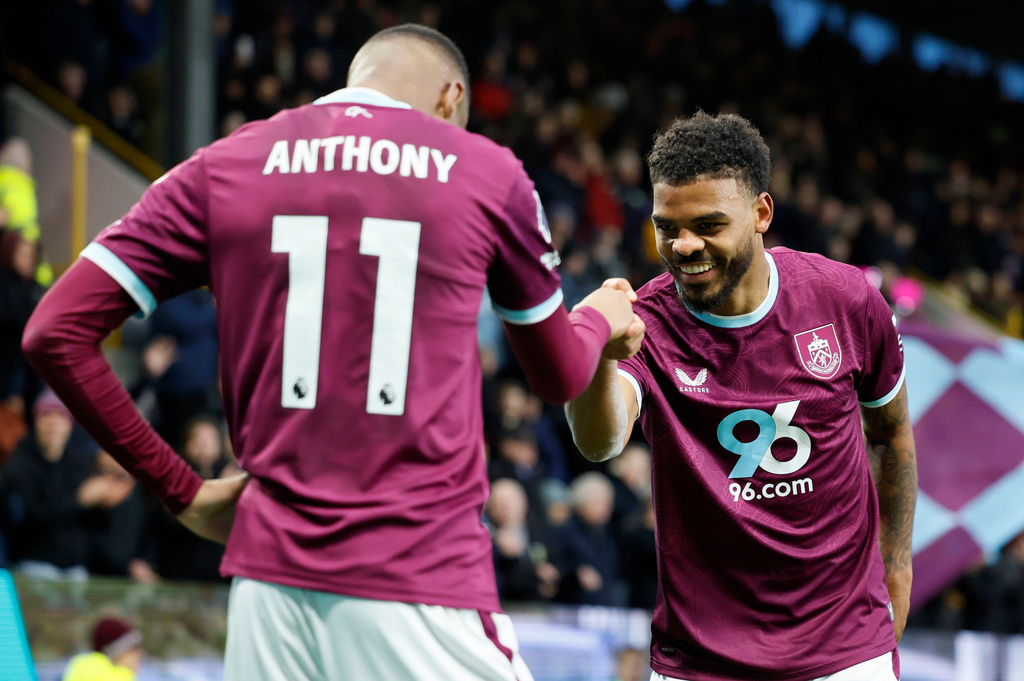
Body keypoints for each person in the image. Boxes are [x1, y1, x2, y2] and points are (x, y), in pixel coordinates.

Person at [23, 24, 638, 681]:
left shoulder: (227, 162)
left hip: (267, 593)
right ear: (451, 96)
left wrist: (182, 491)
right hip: (419, 580)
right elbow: (560, 375)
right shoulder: (485, 170)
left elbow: (53, 330)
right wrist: (598, 320)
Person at [566, 111, 917, 680]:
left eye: (707, 224)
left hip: (845, 652)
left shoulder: (846, 301)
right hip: (699, 662)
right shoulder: (646, 322)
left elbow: (891, 432)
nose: (683, 246)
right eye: (666, 226)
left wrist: (896, 568)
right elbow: (600, 441)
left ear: (760, 213)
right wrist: (598, 353)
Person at [62, 616, 144, 681]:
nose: (139, 653)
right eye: (133, 648)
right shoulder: (122, 678)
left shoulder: (75, 671)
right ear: (114, 654)